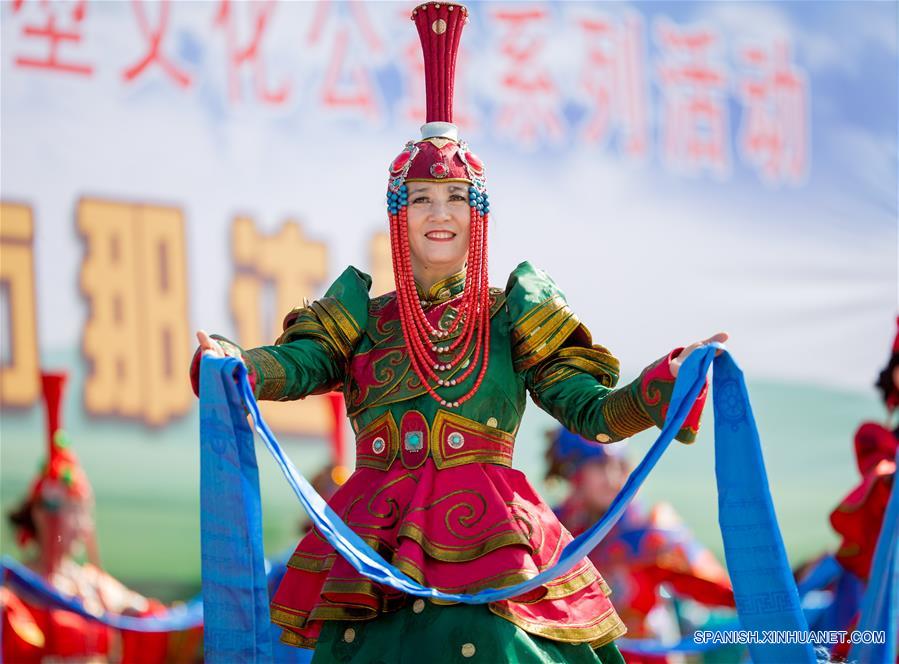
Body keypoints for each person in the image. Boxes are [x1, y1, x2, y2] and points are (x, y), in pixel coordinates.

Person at [192, 3, 726, 661]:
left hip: (495, 545)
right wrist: (230, 362)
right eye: (420, 199)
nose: (437, 214)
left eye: (453, 199)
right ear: (398, 213)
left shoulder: (512, 315)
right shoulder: (364, 315)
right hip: (376, 552)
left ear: (478, 212)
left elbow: (592, 413)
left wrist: (666, 382)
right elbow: (296, 364)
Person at [2, 373, 194, 663]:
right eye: (74, 512)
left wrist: (193, 618)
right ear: (42, 514)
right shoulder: (15, 586)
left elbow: (151, 622)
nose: (83, 525)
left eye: (85, 513)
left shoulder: (92, 583)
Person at [547, 428, 735, 663]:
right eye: (598, 465)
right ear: (573, 471)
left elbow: (720, 591)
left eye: (619, 465)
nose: (612, 477)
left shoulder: (649, 529)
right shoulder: (551, 530)